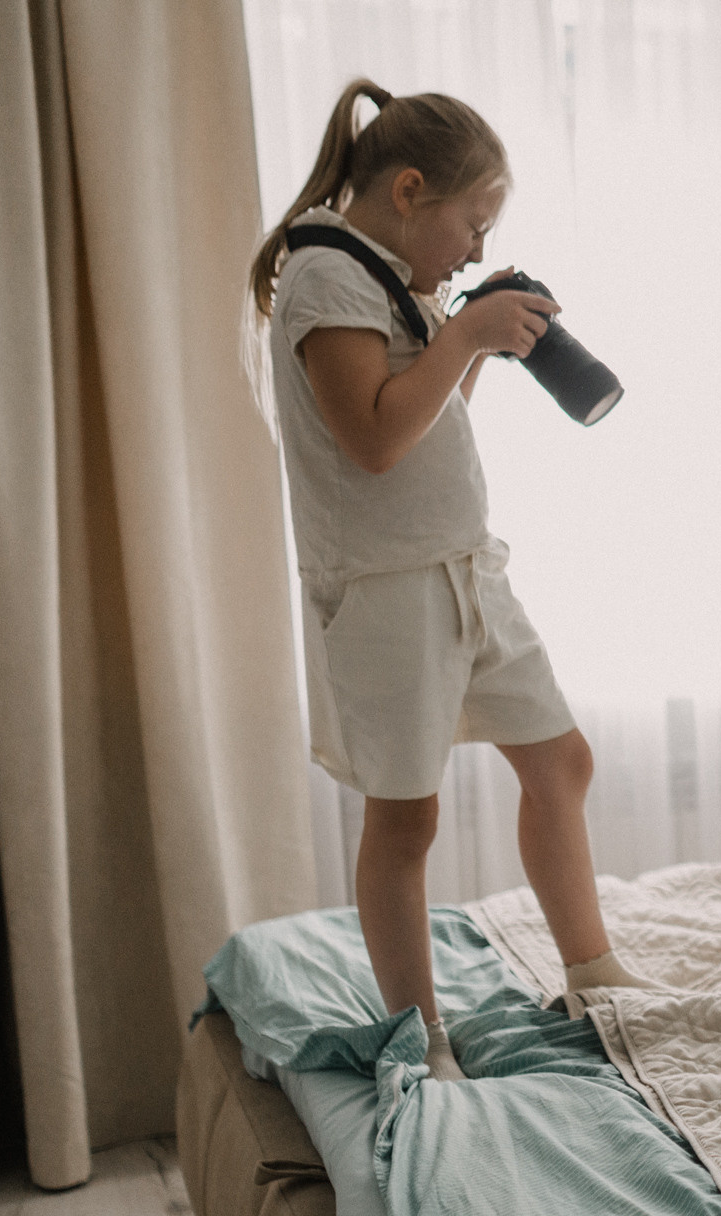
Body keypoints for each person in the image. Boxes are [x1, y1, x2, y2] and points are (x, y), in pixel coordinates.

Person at [247, 79, 656, 1080]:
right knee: (407, 815)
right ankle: (419, 1030)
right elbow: (375, 440)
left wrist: (474, 339)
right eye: (472, 223)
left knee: (560, 760)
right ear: (410, 190)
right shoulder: (324, 277)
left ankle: (592, 966)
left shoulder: (389, 274)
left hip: (466, 573)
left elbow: (425, 415)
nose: (474, 247)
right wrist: (466, 333)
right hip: (389, 593)